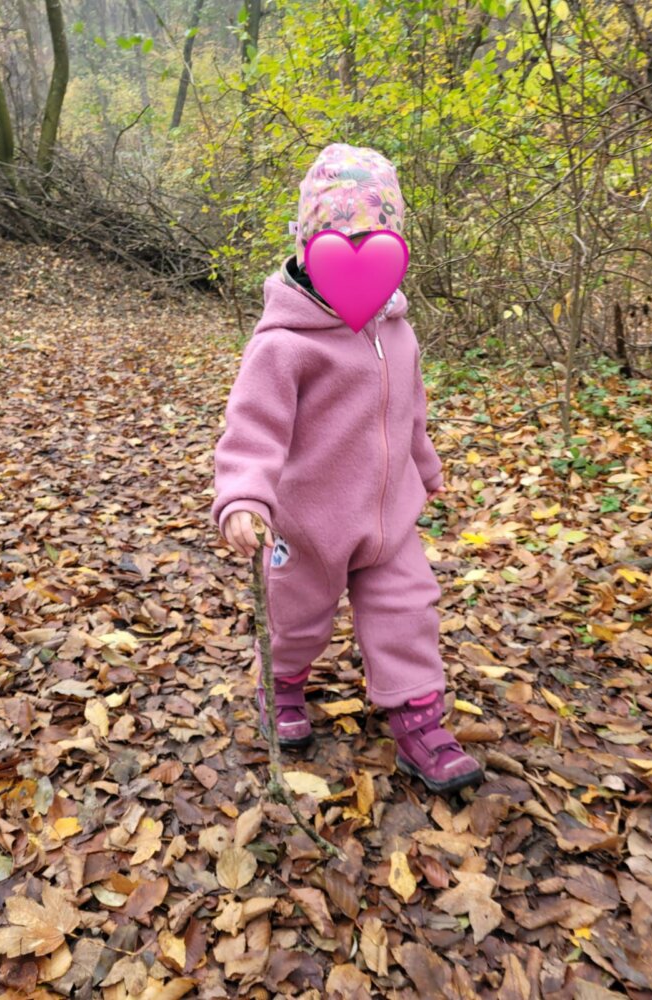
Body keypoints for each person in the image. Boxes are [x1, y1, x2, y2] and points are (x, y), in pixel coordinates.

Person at [211, 142, 483, 795]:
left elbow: (407, 409)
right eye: (343, 241)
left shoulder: (398, 330)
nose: (365, 257)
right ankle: (281, 689)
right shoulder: (284, 345)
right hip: (308, 528)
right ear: (310, 248)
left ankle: (418, 720)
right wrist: (245, 497)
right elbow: (253, 429)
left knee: (407, 609)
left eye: (379, 241)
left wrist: (425, 462)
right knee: (295, 619)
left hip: (388, 518)